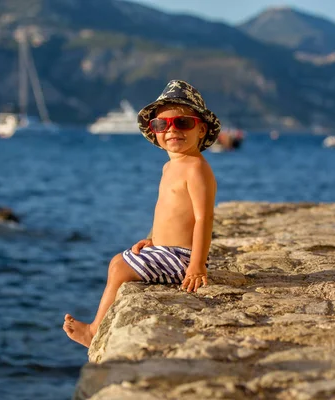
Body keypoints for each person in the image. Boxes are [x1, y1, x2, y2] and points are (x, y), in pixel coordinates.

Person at [63, 80, 222, 348]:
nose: (172, 130)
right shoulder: (169, 167)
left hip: (182, 258)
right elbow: (169, 213)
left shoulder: (196, 169)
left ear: (201, 129)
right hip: (167, 250)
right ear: (155, 132)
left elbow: (203, 219)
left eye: (182, 123)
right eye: (162, 125)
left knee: (122, 268)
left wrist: (197, 264)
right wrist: (154, 241)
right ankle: (96, 325)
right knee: (116, 262)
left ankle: (94, 331)